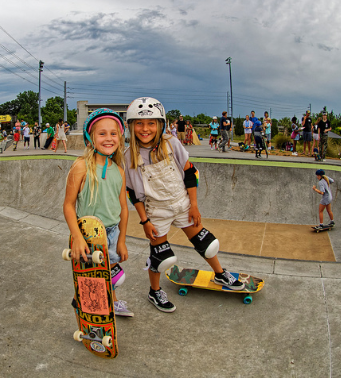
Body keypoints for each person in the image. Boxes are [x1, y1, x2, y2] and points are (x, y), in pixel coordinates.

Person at [120, 97, 240, 313]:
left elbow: (189, 173)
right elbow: (132, 193)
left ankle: (220, 274)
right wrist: (145, 221)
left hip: (182, 202)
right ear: (130, 126)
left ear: (160, 124)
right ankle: (154, 291)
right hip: (156, 210)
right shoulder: (129, 157)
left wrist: (193, 205)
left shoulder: (171, 144)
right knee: (161, 257)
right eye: (138, 123)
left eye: (150, 123)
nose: (144, 129)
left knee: (208, 244)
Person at [61, 111, 134, 316]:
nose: (109, 138)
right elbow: (68, 205)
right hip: (88, 234)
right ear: (91, 138)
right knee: (99, 276)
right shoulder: (81, 167)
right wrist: (76, 237)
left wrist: (121, 239)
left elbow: (124, 209)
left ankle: (109, 300)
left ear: (120, 138)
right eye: (102, 134)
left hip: (111, 233)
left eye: (113, 133)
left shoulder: (119, 170)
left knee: (107, 275)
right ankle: (84, 299)